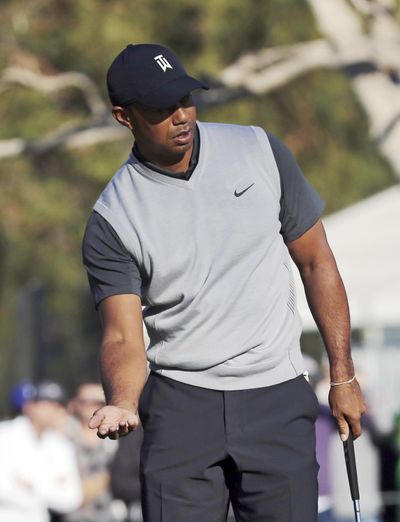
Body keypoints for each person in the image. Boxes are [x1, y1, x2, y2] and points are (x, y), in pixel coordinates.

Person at [82, 43, 366, 522]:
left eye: (186, 98)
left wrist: (343, 375)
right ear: (123, 116)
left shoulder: (260, 150)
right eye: (161, 107)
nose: (181, 115)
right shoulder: (112, 217)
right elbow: (123, 335)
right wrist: (123, 401)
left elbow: (317, 263)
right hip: (180, 408)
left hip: (276, 395)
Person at [0, 380, 82, 522]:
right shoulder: (4, 435)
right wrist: (50, 487)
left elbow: (72, 499)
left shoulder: (61, 445)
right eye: (47, 404)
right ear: (29, 406)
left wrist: (32, 485)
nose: (53, 411)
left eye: (58, 406)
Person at [64, 382, 119, 522]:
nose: (92, 408)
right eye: (85, 402)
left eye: (98, 403)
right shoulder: (60, 437)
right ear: (74, 404)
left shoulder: (118, 438)